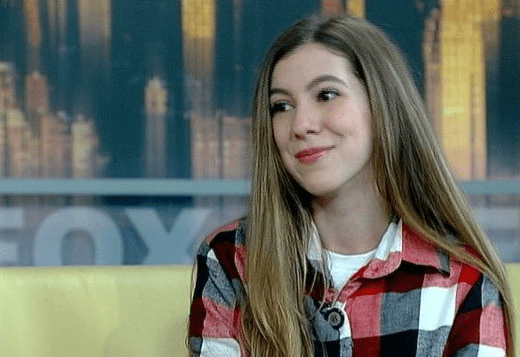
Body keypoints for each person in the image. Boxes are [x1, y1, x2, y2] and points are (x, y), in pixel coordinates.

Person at [188, 14, 514, 357]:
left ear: (382, 106)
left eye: (326, 95)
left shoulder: (463, 278)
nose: (300, 125)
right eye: (281, 106)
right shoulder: (231, 258)